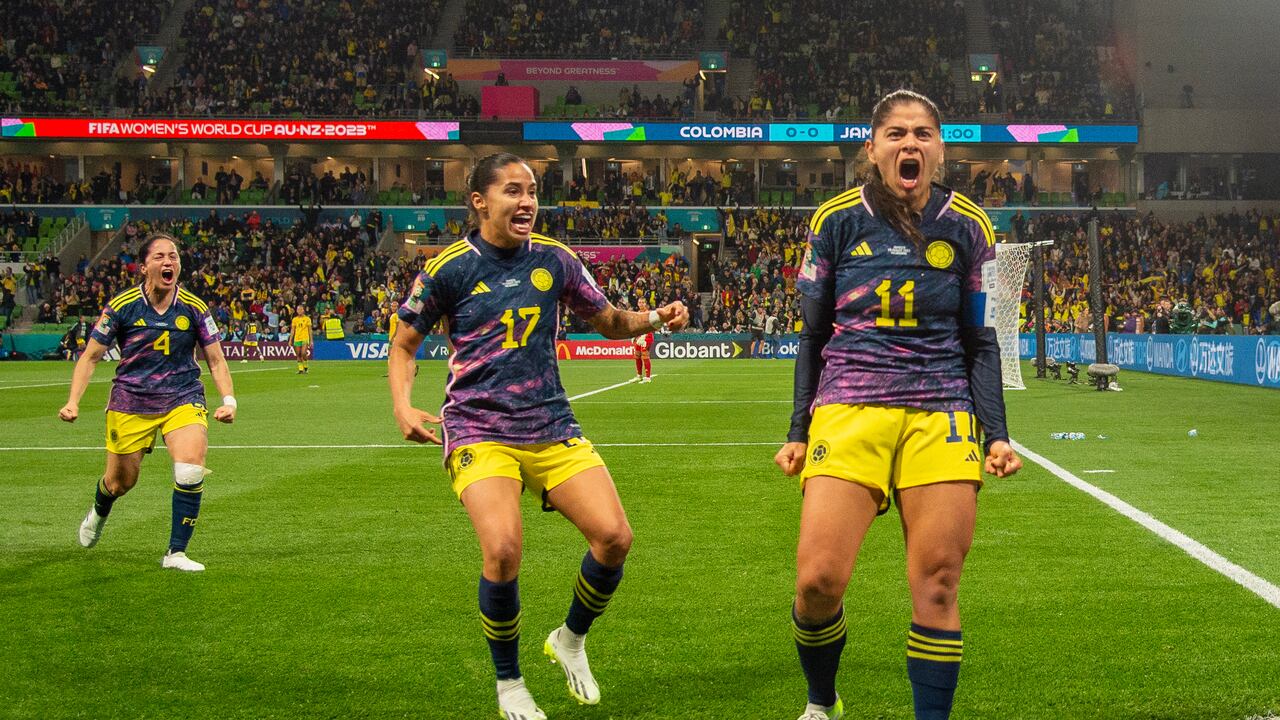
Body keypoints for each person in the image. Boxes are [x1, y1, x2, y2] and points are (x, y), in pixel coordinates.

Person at [389, 153, 688, 720]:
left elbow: (609, 321)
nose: (527, 201)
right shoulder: (450, 268)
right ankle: (509, 684)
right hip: (479, 425)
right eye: (512, 191)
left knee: (615, 538)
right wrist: (402, 405)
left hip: (550, 424)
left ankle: (570, 638)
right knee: (502, 549)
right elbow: (403, 341)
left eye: (532, 191)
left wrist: (655, 317)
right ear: (479, 201)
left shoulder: (557, 259)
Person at [773, 90, 1022, 720]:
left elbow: (982, 339)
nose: (909, 143)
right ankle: (821, 702)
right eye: (895, 134)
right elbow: (812, 334)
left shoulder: (969, 224)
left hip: (941, 409)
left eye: (922, 134)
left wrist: (995, 432)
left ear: (940, 149)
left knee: (938, 584)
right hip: (850, 404)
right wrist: (799, 426)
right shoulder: (834, 220)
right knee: (817, 583)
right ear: (873, 148)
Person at [59, 232, 237, 572]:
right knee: (120, 483)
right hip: (131, 401)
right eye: (160, 257)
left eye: (173, 256)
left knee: (189, 469)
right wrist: (73, 402)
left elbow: (215, 359)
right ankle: (99, 509)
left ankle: (176, 553)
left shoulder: (194, 307)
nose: (168, 261)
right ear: (144, 267)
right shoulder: (123, 306)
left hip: (182, 397)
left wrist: (229, 400)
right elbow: (91, 357)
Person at [632, 298, 655, 383]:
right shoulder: (638, 313)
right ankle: (639, 376)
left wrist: (644, 336)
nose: (641, 304)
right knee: (637, 355)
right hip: (639, 337)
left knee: (645, 355)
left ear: (646, 304)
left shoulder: (648, 314)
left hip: (647, 337)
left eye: (642, 302)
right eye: (639, 302)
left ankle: (648, 377)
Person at [289, 305, 313, 373]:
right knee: (298, 354)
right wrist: (290, 340)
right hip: (297, 338)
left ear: (303, 310)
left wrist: (311, 341)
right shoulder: (294, 319)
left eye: (300, 309)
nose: (299, 311)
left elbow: (310, 330)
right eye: (298, 309)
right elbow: (293, 330)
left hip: (305, 338)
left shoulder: (307, 319)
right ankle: (301, 369)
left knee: (303, 353)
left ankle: (305, 367)